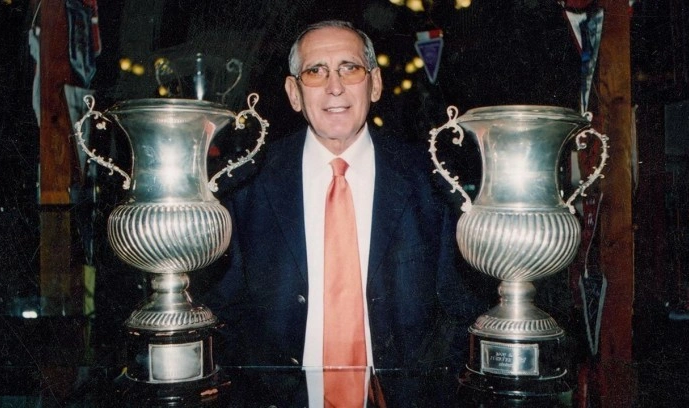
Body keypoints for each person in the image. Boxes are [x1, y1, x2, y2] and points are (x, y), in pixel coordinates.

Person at [207, 20, 484, 407]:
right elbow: (222, 315)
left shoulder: (430, 182)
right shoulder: (247, 186)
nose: (334, 86)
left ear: (375, 83)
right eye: (315, 71)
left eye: (349, 68)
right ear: (294, 93)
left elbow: (460, 311)